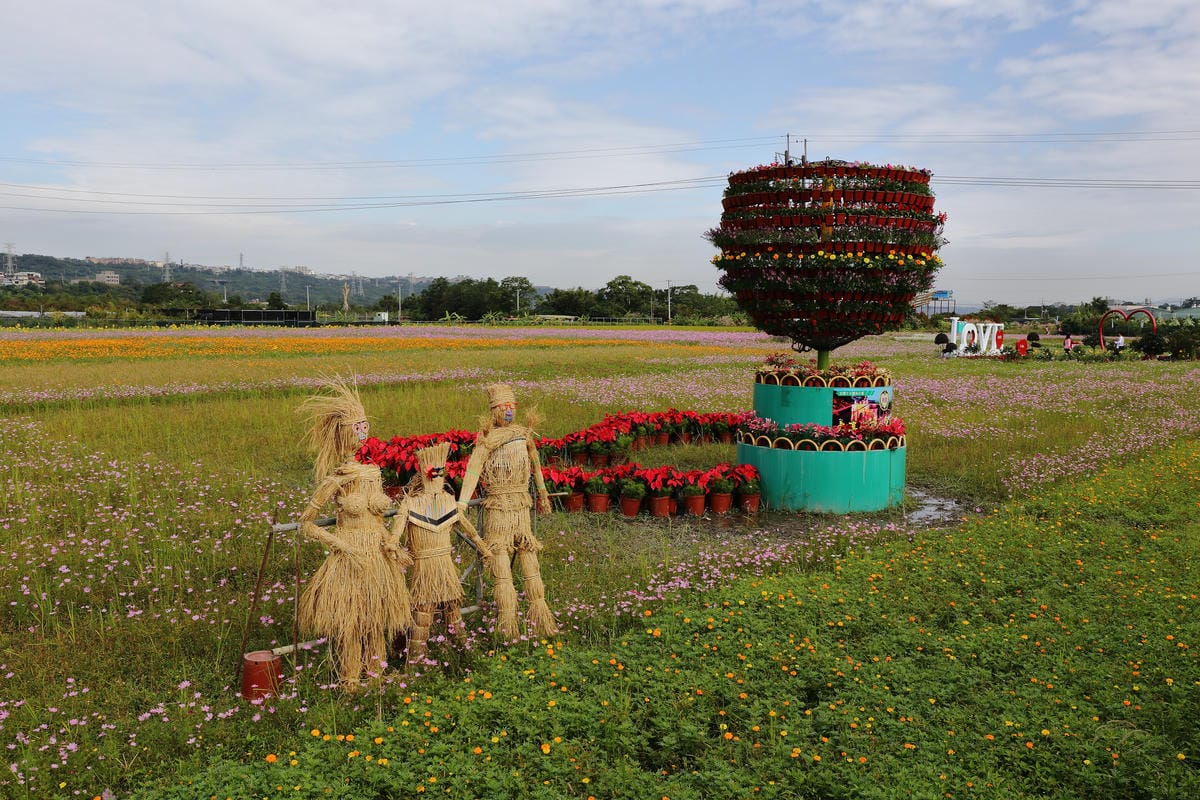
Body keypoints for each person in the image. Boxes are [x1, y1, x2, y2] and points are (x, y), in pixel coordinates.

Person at [296, 377, 413, 689]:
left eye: (365, 426)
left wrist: (392, 543)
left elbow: (380, 519)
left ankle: (376, 675)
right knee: (352, 620)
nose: (362, 433)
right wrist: (340, 545)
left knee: (375, 617)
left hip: (377, 555)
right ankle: (350, 678)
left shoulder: (373, 472)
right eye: (356, 428)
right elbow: (307, 524)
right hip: (351, 557)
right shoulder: (338, 478)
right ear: (344, 432)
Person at [457, 383, 559, 639]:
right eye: (504, 407)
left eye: (512, 406)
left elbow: (536, 466)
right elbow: (473, 470)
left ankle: (540, 614)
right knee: (500, 561)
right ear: (494, 410)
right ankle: (507, 623)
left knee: (529, 557)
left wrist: (543, 494)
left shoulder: (523, 435)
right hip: (498, 509)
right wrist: (462, 503)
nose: (509, 411)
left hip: (521, 506)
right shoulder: (487, 440)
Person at [396, 443, 492, 667]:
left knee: (452, 608)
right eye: (433, 473)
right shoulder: (411, 503)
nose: (436, 478)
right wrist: (393, 548)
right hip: (425, 569)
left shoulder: (449, 501)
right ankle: (416, 661)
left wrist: (484, 549)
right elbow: (395, 535)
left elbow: (469, 530)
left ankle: (463, 651)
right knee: (423, 610)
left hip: (445, 568)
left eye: (439, 473)